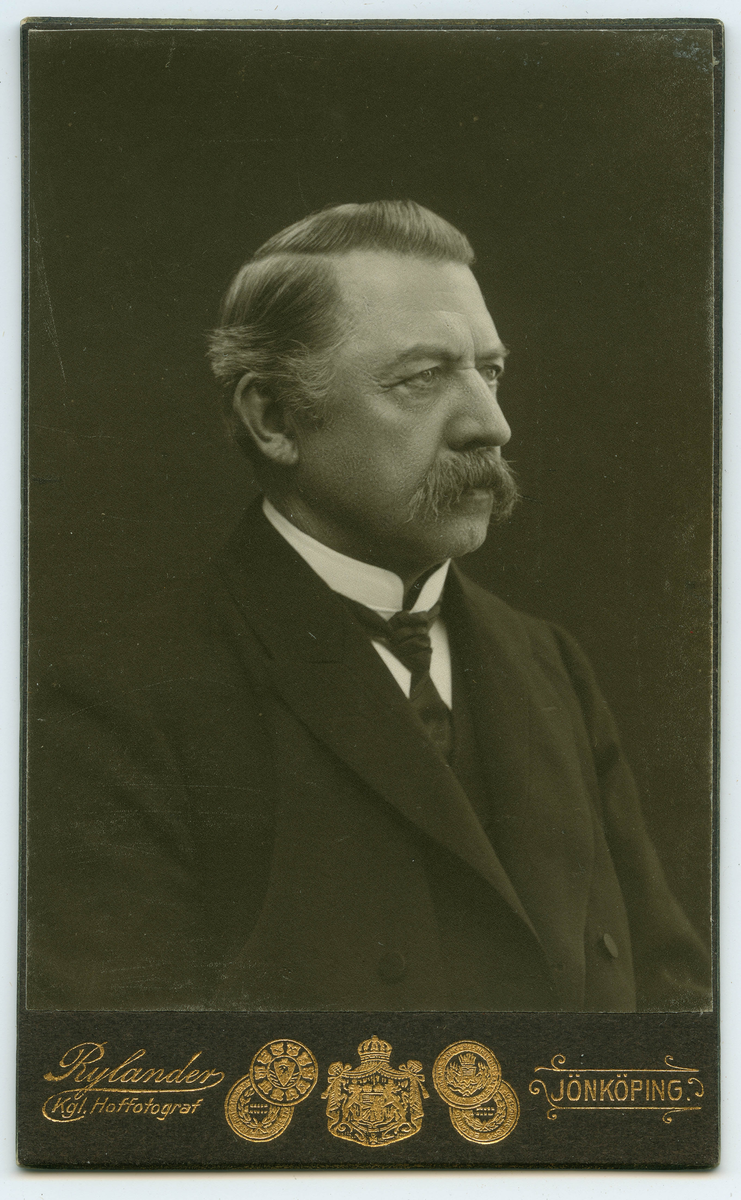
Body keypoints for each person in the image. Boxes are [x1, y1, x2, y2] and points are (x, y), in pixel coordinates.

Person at [27, 200, 710, 1013]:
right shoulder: (123, 696)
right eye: (421, 378)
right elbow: (127, 1067)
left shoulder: (549, 664)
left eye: (489, 371)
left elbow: (672, 1009)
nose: (491, 425)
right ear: (273, 418)